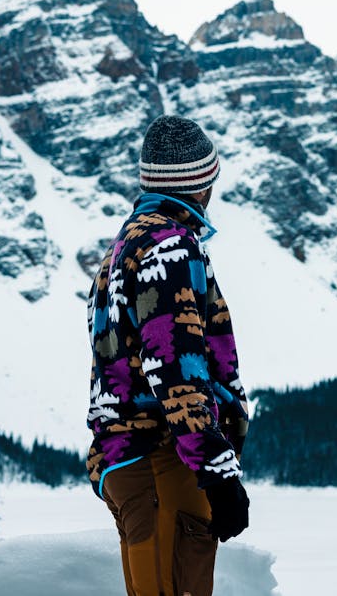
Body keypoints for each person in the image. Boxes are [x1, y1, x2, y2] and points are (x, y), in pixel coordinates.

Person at [85, 115, 251, 596]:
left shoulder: (122, 249)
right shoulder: (168, 248)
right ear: (199, 184)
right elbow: (176, 371)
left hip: (131, 463)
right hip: (163, 460)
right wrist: (216, 473)